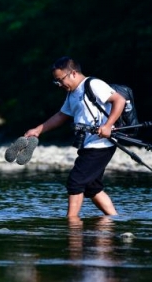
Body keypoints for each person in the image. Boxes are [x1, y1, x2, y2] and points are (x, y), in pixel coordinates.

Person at [23, 56, 125, 218]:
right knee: (92, 187)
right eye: (56, 82)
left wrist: (107, 126)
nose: (60, 85)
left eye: (60, 80)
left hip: (101, 144)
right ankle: (114, 219)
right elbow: (62, 115)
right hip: (87, 144)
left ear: (73, 73)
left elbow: (119, 100)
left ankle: (72, 223)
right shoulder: (72, 93)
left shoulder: (94, 84)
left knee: (75, 182)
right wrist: (38, 130)